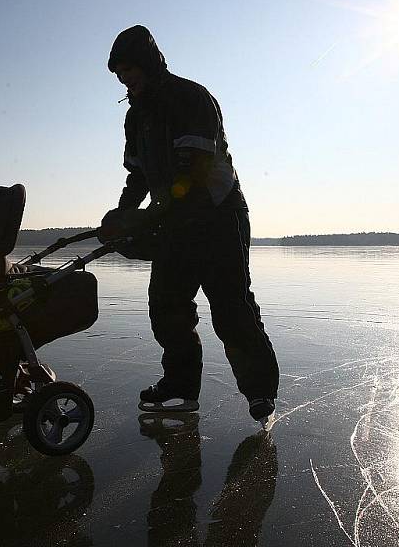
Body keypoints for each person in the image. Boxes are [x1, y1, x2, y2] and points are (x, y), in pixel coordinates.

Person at [101, 25, 279, 428]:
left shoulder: (191, 98)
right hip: (172, 221)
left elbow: (193, 167)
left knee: (231, 307)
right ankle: (181, 386)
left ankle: (260, 390)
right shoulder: (136, 117)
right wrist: (122, 214)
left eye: (129, 70)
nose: (124, 79)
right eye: (118, 74)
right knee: (167, 306)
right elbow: (138, 176)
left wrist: (154, 214)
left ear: (147, 64)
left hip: (217, 214)